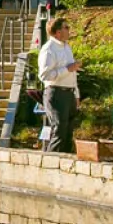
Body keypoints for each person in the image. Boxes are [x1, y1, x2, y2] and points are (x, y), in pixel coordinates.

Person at [37, 17, 80, 154]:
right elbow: (44, 75)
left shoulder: (67, 47)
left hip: (69, 93)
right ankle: (51, 162)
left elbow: (72, 73)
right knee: (59, 130)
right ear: (57, 32)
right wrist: (67, 69)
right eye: (66, 27)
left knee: (68, 132)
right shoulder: (48, 49)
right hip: (56, 93)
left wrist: (76, 94)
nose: (69, 30)